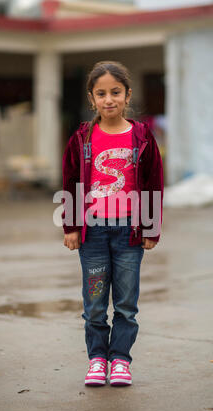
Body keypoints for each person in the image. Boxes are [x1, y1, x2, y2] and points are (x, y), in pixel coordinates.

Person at [62, 61, 164, 387]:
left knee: (125, 303)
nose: (109, 99)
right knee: (94, 303)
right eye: (101, 93)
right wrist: (71, 226)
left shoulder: (141, 137)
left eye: (115, 92)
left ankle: (120, 360)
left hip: (129, 234)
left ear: (127, 95)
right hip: (92, 234)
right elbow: (70, 183)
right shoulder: (82, 138)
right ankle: (97, 360)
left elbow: (152, 183)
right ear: (92, 98)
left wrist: (151, 228)